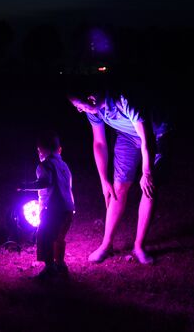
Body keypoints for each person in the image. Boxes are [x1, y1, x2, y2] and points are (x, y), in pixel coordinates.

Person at [68, 83, 169, 265]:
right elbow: (99, 143)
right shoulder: (95, 110)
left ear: (92, 98)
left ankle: (139, 246)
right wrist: (103, 180)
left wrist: (147, 173)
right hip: (127, 136)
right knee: (118, 187)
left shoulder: (125, 100)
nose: (81, 111)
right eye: (78, 108)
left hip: (155, 135)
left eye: (82, 107)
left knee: (150, 186)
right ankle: (106, 245)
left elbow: (148, 141)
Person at [18, 130, 75, 280]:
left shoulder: (44, 166)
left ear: (41, 151)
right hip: (68, 210)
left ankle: (50, 269)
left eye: (38, 150)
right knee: (59, 238)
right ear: (59, 149)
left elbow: (45, 183)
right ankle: (60, 264)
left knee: (44, 236)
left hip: (53, 210)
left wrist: (25, 186)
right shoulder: (64, 166)